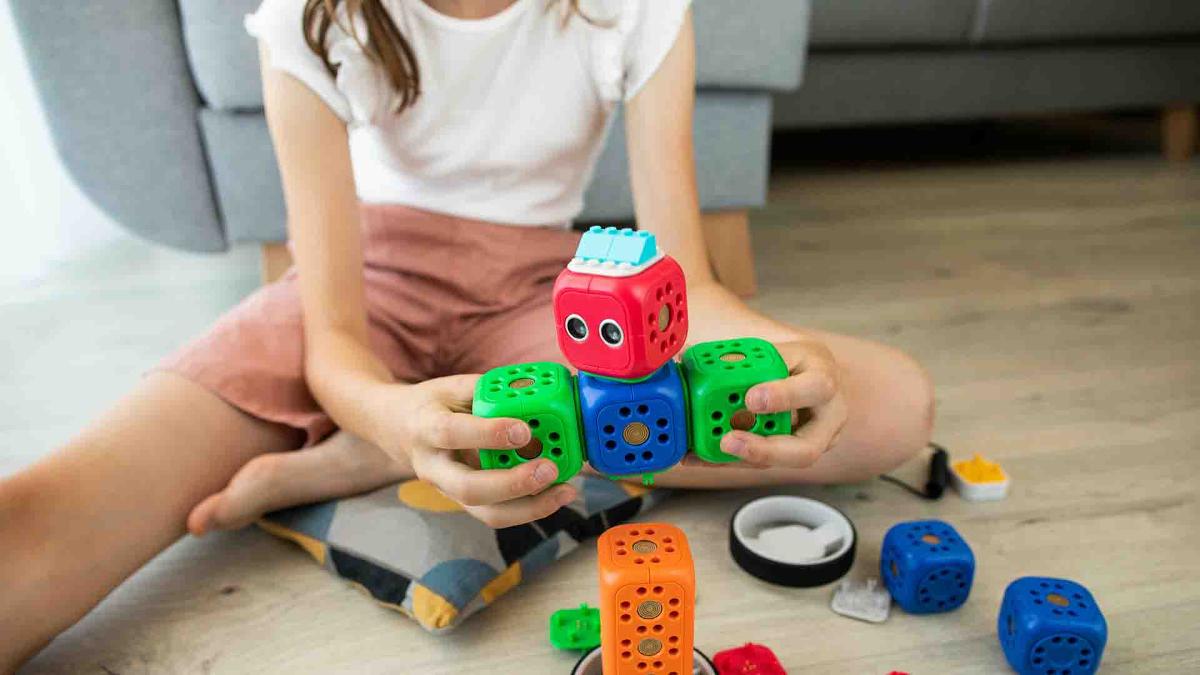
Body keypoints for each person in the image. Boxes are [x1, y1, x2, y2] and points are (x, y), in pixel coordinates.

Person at [0, 0, 933, 668]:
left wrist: (770, 357)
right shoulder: (308, 16)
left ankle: (367, 455)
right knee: (47, 516)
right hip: (371, 284)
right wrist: (387, 413)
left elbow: (680, 279)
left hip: (548, 290)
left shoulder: (635, 9)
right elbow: (330, 337)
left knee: (892, 404)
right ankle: (388, 439)